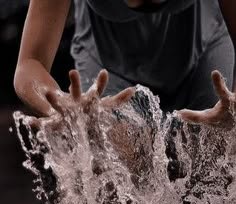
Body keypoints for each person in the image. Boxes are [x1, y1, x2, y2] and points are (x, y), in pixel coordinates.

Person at [13, 0, 236, 127]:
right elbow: (30, 61)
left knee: (214, 161)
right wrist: (59, 105)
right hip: (106, 57)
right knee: (118, 169)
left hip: (204, 43)